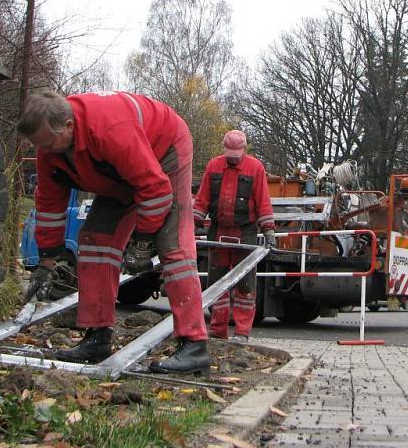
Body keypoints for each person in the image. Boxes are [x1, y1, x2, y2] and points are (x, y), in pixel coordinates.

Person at [17, 90, 209, 373]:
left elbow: (154, 189)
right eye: (39, 146)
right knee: (95, 241)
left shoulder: (109, 129)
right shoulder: (49, 148)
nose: (45, 152)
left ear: (69, 126)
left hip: (164, 150)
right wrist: (45, 262)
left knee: (172, 243)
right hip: (118, 172)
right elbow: (49, 205)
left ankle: (195, 345)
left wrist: (142, 243)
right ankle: (97, 337)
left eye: (49, 144)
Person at [192, 130, 275, 342]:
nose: (233, 157)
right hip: (218, 231)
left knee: (245, 285)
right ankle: (218, 331)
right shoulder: (214, 166)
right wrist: (192, 225)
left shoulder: (255, 168)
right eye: (230, 153)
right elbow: (202, 199)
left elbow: (263, 201)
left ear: (244, 149)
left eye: (236, 154)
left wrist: (269, 231)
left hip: (245, 232)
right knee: (217, 283)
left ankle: (242, 332)